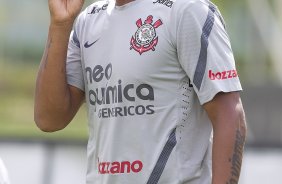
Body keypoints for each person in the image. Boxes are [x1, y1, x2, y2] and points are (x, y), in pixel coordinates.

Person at [34, 0, 247, 183]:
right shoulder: (88, 21)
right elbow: (49, 118)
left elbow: (229, 114)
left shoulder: (187, 10)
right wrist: (60, 25)